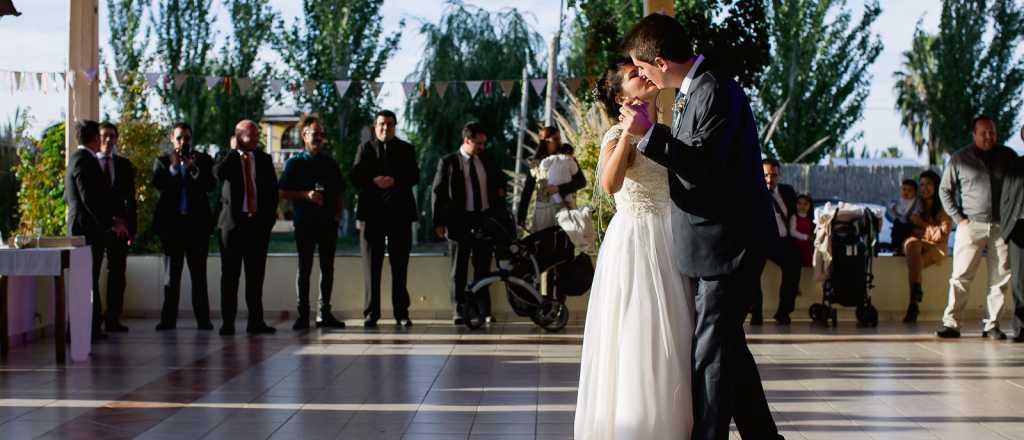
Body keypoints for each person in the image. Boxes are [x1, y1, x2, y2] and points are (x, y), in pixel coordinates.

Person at [620, 13, 784, 439]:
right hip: (712, 245)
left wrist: (648, 134)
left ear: (659, 62)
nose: (641, 76)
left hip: (729, 245)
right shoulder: (693, 89)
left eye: (641, 67)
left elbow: (704, 166)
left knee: (710, 356)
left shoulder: (713, 89)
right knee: (728, 350)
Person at [574, 57, 693, 439]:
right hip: (637, 241)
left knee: (676, 334)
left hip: (672, 235)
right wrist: (628, 132)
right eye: (632, 75)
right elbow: (610, 184)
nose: (642, 74)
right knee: (640, 333)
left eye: (641, 69)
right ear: (619, 96)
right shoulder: (616, 134)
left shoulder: (669, 131)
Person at [937, 116, 1016, 339]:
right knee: (961, 276)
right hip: (970, 225)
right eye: (983, 133)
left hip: (1001, 226)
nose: (988, 136)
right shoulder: (959, 159)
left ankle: (992, 325)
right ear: (974, 135)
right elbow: (944, 190)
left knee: (1000, 278)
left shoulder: (1008, 156)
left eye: (992, 132)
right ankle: (951, 324)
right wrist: (958, 218)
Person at [431, 122, 508, 325]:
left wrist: (500, 194)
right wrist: (438, 222)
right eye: (478, 143)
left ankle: (484, 310)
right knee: (459, 270)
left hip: (484, 219)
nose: (482, 147)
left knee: (483, 269)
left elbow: (500, 180)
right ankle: (459, 310)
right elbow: (438, 193)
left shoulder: (487, 160)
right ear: (467, 140)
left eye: (484, 143)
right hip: (459, 221)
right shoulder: (448, 162)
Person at [351, 110, 420, 328]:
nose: (385, 128)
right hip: (372, 216)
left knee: (400, 267)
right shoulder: (364, 149)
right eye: (381, 124)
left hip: (400, 215)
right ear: (375, 126)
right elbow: (355, 176)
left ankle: (401, 313)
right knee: (371, 267)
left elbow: (415, 176)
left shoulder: (406, 149)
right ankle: (371, 313)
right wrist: (374, 181)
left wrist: (394, 181)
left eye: (389, 124)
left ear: (394, 126)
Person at [279, 115, 346, 330]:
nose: (318, 138)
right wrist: (305, 195)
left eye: (321, 134)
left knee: (328, 268)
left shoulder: (330, 163)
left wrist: (338, 216)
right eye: (314, 133)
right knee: (304, 268)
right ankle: (303, 315)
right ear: (304, 135)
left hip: (328, 223)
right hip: (305, 223)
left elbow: (340, 192)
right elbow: (283, 192)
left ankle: (324, 313)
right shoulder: (294, 162)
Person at [65, 120, 127, 341]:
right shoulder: (84, 160)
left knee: (88, 279)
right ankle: (83, 329)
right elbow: (88, 198)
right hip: (86, 230)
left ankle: (90, 327)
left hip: (89, 228)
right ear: (94, 138)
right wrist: (111, 223)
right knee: (86, 279)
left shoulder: (77, 158)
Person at [215, 120, 279, 335]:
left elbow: (272, 192)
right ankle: (228, 323)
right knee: (230, 276)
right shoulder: (226, 157)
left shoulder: (264, 159)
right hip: (232, 226)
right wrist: (233, 152)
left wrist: (268, 221)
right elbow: (218, 174)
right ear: (239, 136)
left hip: (257, 226)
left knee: (256, 276)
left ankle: (256, 322)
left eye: (257, 134)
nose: (256, 138)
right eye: (252, 134)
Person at [152, 122, 215, 331]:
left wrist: (192, 169)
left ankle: (203, 320)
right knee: (171, 277)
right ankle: (168, 321)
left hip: (196, 228)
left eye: (187, 138)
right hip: (172, 228)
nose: (183, 142)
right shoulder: (162, 161)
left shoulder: (203, 160)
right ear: (172, 138)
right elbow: (158, 183)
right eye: (179, 138)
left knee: (199, 276)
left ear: (191, 139)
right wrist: (173, 168)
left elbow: (211, 185)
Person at [94, 122, 136, 332]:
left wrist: (132, 228)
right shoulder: (89, 163)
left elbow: (131, 199)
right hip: (95, 227)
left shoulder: (124, 165)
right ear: (97, 138)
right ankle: (94, 320)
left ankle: (113, 318)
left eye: (112, 136)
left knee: (118, 273)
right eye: (104, 135)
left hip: (120, 228)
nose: (108, 139)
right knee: (92, 273)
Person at [756, 158, 802, 325]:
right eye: (766, 175)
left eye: (774, 175)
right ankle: (756, 313)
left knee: (794, 262)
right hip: (759, 241)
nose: (770, 179)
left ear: (779, 175)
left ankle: (784, 312)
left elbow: (798, 213)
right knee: (751, 269)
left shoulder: (787, 191)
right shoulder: (754, 192)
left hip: (782, 241)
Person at [901, 170, 951, 323]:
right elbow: (910, 228)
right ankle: (915, 295)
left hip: (936, 248)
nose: (924, 188)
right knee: (911, 244)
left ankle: (913, 303)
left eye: (928, 184)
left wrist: (921, 225)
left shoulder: (944, 206)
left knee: (914, 262)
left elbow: (942, 235)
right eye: (921, 185)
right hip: (917, 245)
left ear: (936, 186)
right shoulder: (916, 204)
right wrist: (926, 230)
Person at [516, 126, 586, 230]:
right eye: (556, 139)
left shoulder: (567, 158)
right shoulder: (536, 163)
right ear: (546, 141)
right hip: (543, 213)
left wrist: (559, 188)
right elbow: (527, 190)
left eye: (560, 138)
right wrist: (521, 216)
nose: (559, 142)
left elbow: (581, 182)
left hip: (567, 208)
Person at [999, 126, 1024, 342]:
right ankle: (1022, 328)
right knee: (1019, 281)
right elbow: (1006, 198)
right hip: (1020, 228)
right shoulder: (1015, 165)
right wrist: (1007, 229)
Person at [888, 179, 922, 255]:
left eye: (909, 190)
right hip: (899, 221)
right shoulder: (899, 199)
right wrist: (893, 208)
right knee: (896, 232)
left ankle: (905, 247)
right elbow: (892, 205)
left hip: (910, 222)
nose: (906, 192)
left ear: (915, 192)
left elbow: (918, 209)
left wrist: (915, 215)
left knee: (908, 233)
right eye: (904, 189)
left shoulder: (917, 201)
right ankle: (896, 247)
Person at [790, 194, 814, 268]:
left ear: (810, 205)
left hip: (808, 246)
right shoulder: (794, 217)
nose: (802, 206)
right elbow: (792, 232)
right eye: (799, 203)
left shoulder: (810, 218)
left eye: (805, 204)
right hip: (798, 245)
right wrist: (807, 237)